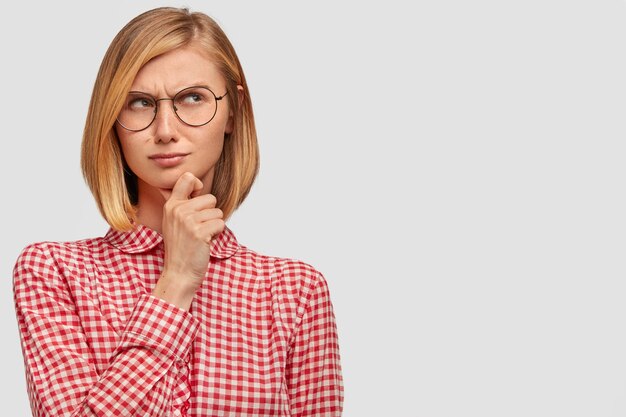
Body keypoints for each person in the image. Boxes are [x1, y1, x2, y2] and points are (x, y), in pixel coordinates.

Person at [12, 7, 343, 417]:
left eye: (193, 98)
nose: (165, 129)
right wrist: (177, 281)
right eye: (139, 103)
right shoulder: (53, 271)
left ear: (233, 111)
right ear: (111, 119)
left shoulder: (294, 292)